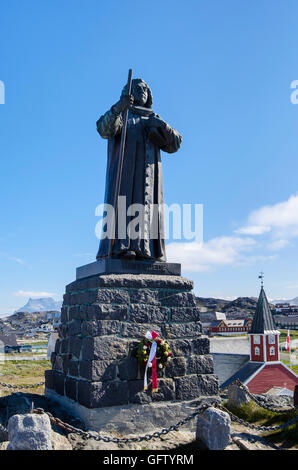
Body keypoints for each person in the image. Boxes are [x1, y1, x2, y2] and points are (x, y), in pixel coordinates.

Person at [96, 78, 182, 261]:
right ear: (129, 93)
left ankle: (150, 250)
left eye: (145, 89)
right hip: (125, 175)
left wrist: (164, 127)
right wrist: (119, 107)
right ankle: (123, 247)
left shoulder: (153, 119)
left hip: (150, 178)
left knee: (150, 208)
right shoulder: (122, 117)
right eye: (136, 88)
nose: (141, 91)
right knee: (125, 205)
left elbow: (175, 144)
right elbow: (104, 129)